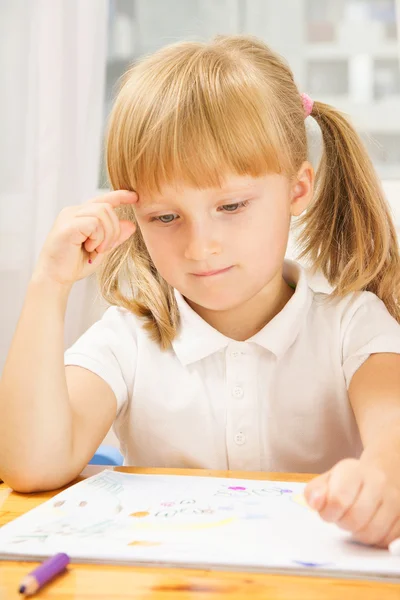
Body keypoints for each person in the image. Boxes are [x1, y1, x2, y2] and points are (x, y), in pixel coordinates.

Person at [1, 35, 400, 549]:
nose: (200, 247)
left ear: (297, 190)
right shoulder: (128, 338)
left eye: (231, 206)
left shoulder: (352, 324)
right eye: (165, 217)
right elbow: (31, 466)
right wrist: (48, 285)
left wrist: (380, 483)